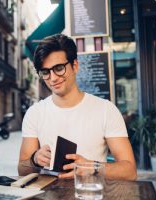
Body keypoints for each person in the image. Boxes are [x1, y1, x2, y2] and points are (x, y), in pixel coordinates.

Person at [18, 34, 137, 180]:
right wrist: (34, 159)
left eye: (59, 68)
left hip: (91, 193)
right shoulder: (34, 113)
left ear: (75, 66)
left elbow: (130, 171)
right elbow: (22, 169)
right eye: (45, 72)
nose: (53, 78)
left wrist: (92, 168)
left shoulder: (106, 110)